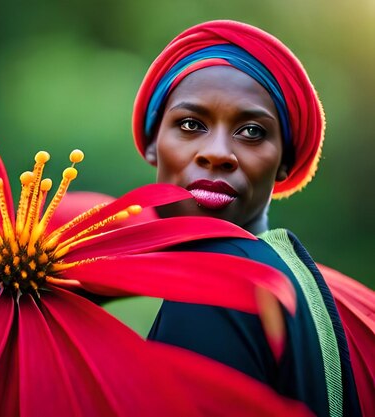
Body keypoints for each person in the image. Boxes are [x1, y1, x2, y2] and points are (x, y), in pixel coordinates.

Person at [131, 20, 373, 417]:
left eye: (251, 132)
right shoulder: (335, 298)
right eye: (191, 125)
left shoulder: (217, 284)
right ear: (153, 143)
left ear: (284, 163)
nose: (218, 153)